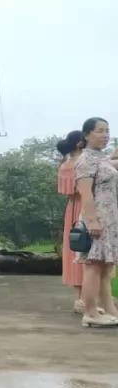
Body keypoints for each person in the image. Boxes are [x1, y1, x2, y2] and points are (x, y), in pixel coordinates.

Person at [73, 117, 118, 328]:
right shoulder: (86, 160)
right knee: (93, 265)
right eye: (100, 131)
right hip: (97, 219)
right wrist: (92, 221)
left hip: (108, 219)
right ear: (87, 134)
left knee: (104, 266)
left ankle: (109, 310)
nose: (105, 135)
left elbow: (110, 165)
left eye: (107, 131)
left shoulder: (100, 158)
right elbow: (86, 194)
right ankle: (90, 311)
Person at [57, 130, 88, 312]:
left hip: (73, 208)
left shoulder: (65, 165)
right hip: (87, 205)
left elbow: (66, 191)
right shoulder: (83, 162)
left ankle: (80, 299)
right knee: (89, 250)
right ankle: (90, 299)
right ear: (79, 143)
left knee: (77, 250)